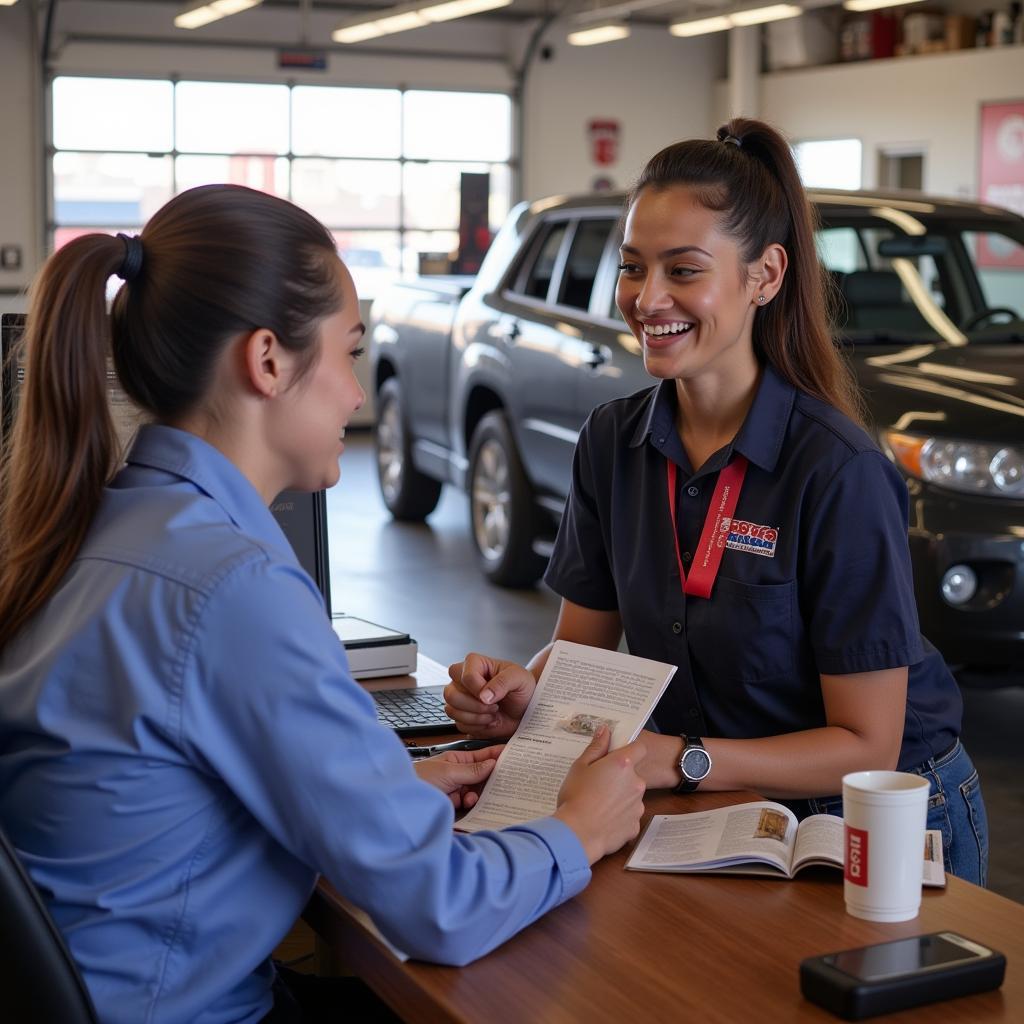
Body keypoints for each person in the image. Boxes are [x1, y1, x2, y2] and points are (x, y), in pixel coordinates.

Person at [0, 184, 648, 1024]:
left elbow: (164, 786)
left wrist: (391, 789)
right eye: (348, 353)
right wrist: (579, 829)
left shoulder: (104, 522)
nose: (355, 393)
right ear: (267, 361)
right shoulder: (234, 587)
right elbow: (439, 908)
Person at [444, 118, 988, 886]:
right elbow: (586, 652)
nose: (647, 298)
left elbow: (867, 743)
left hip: (875, 817)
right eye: (634, 268)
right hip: (714, 801)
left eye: (683, 269)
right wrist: (528, 691)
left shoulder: (837, 470)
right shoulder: (612, 442)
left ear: (764, 276)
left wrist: (686, 760)